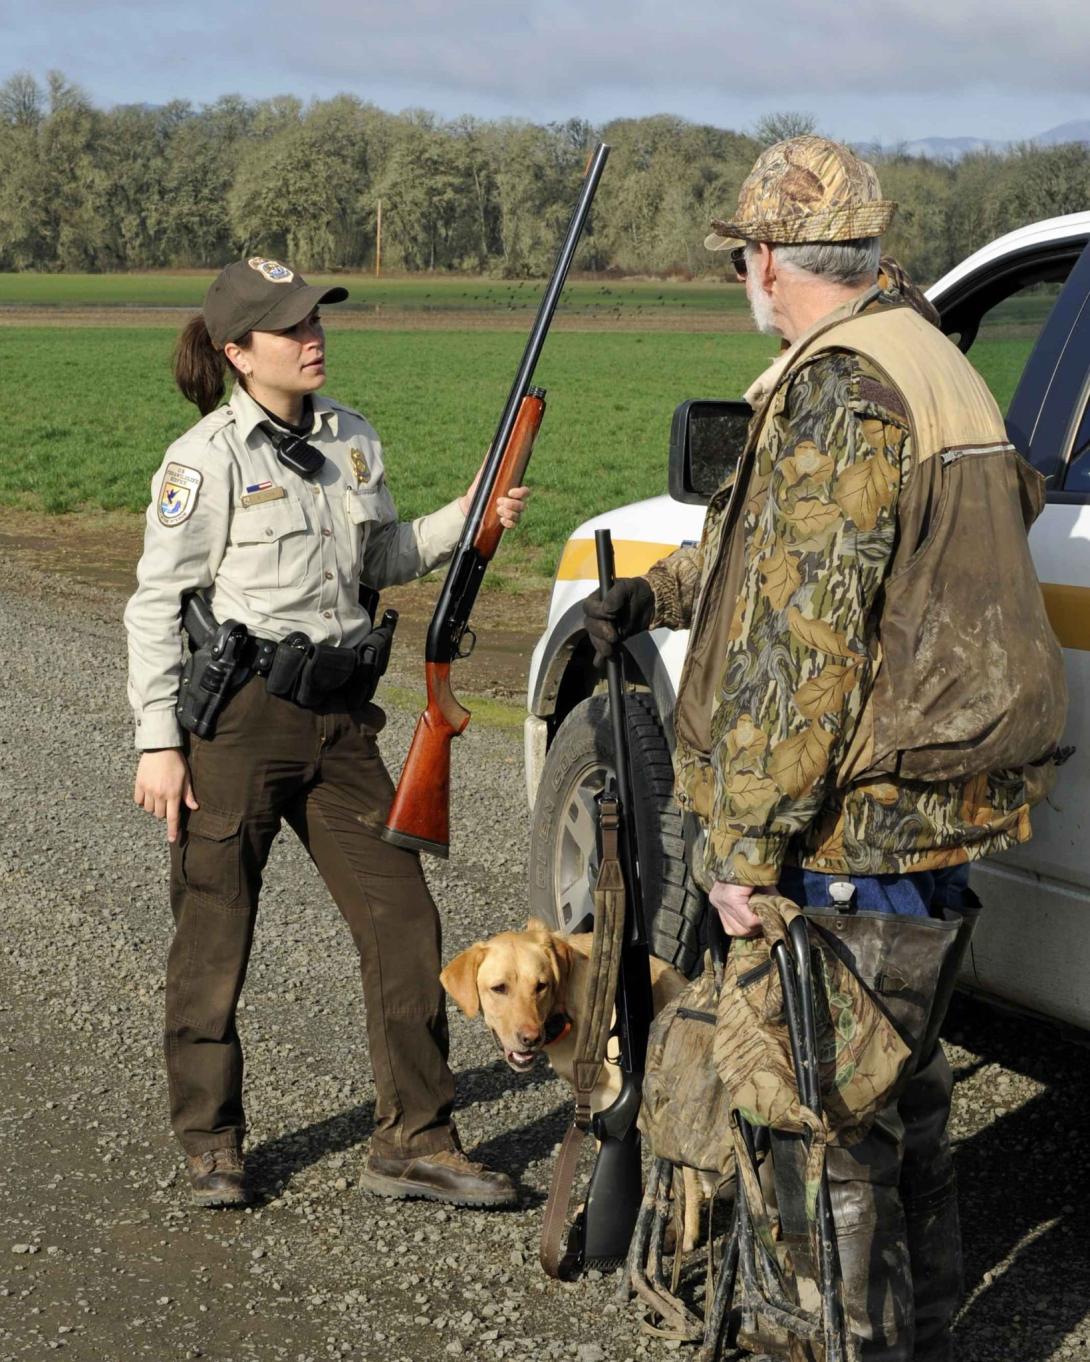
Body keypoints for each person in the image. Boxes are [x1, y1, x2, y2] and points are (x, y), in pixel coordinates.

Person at [584, 137, 1066, 1360]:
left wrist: (742, 853)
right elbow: (805, 563)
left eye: (740, 259)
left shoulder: (841, 389)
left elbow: (806, 650)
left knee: (809, 1125)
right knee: (900, 1098)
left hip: (857, 820)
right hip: (939, 807)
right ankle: (922, 1328)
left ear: (763, 258)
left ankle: (833, 1344)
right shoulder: (929, 358)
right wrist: (657, 594)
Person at [125, 256, 529, 1211]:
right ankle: (211, 1144)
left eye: (316, 319)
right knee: (215, 934)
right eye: (290, 326)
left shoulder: (352, 438)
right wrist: (158, 739)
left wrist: (464, 517)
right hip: (239, 722)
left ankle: (415, 1139)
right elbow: (156, 603)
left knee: (404, 918)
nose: (313, 336)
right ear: (236, 352)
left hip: (343, 722)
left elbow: (377, 557)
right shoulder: (206, 460)